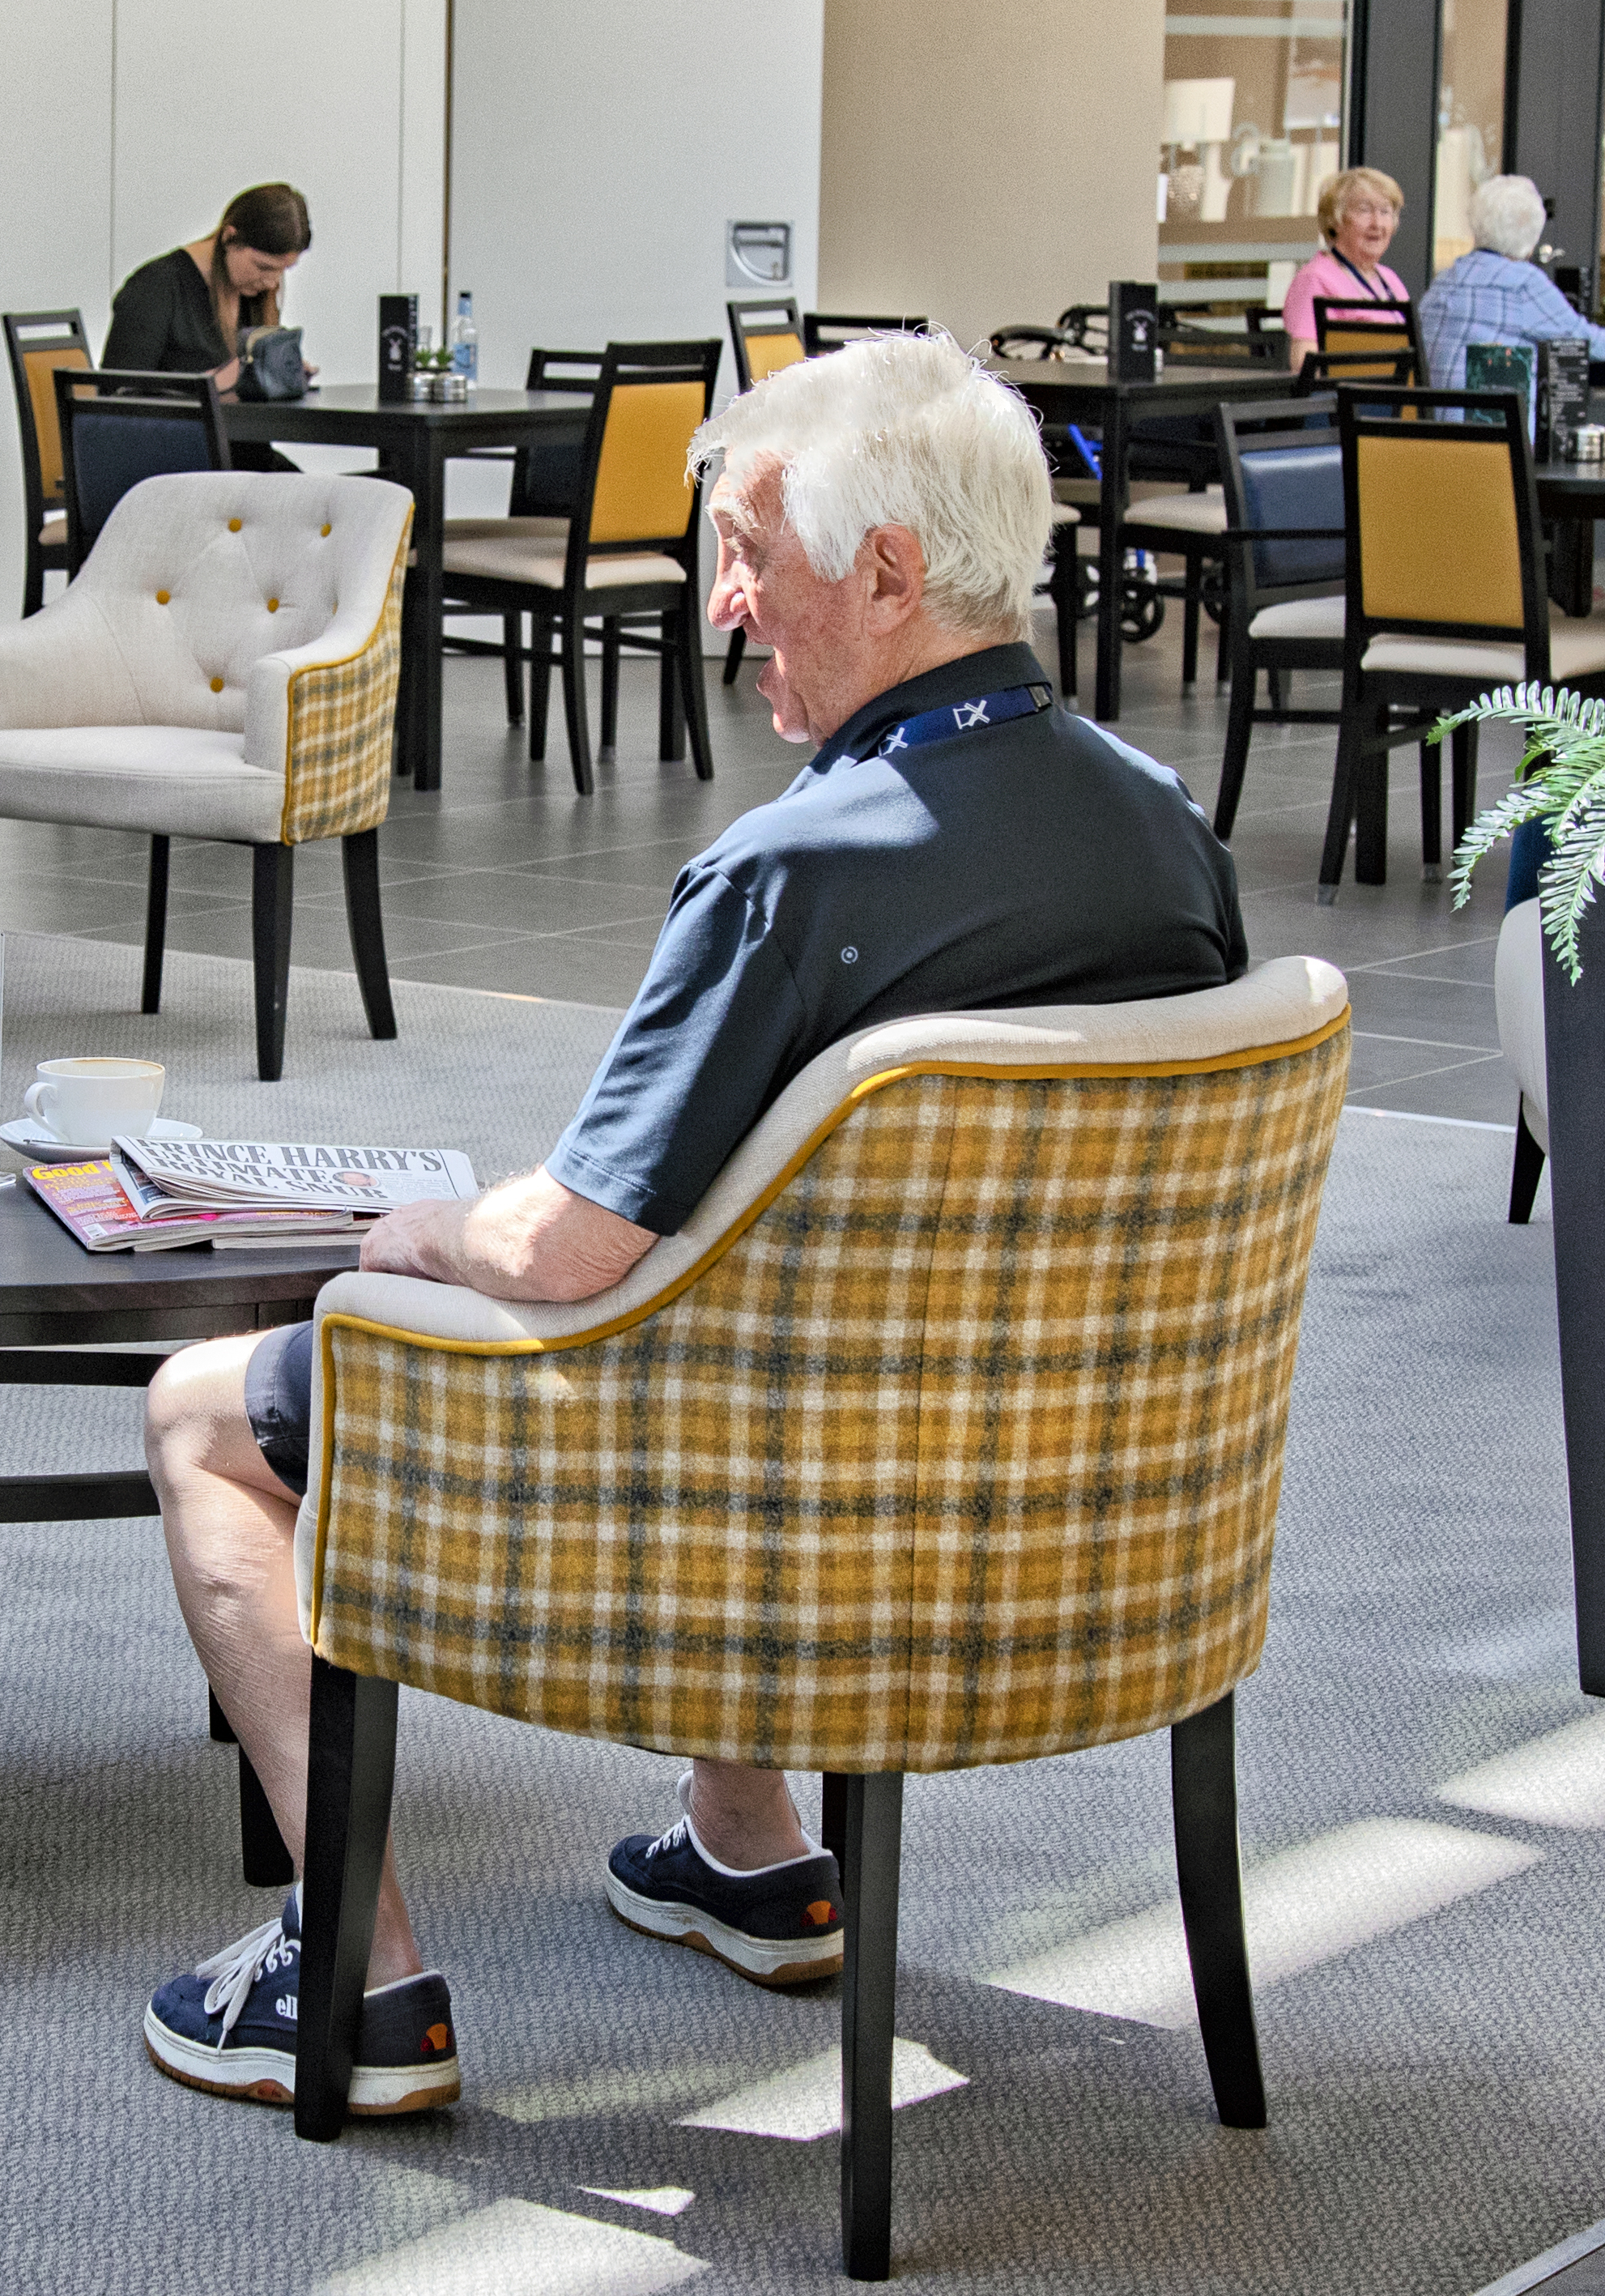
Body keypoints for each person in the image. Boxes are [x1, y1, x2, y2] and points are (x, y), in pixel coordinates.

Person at [132, 335, 1249, 2117]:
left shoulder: (793, 874)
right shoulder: (1165, 832)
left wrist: (412, 1236)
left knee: (207, 1409)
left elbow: (575, 1254)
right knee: (765, 1277)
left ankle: (356, 1978)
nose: (724, 603)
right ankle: (745, 1840)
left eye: (750, 549)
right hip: (1084, 1494)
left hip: (767, 1496)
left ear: (887, 571)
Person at [1415, 174, 1605, 388]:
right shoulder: (1522, 283)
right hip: (1493, 431)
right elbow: (1581, 340)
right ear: (1532, 234)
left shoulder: (1446, 279)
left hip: (1431, 428)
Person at [103, 183, 315, 395]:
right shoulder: (156, 285)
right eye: (263, 267)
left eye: (283, 271)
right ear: (229, 237)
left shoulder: (253, 294)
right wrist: (218, 380)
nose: (271, 282)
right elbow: (116, 393)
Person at [1279, 165, 1410, 351]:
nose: (1377, 224)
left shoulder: (1389, 278)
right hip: (1350, 380)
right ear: (1336, 220)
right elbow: (1303, 361)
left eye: (1385, 212)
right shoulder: (1315, 279)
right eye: (1365, 211)